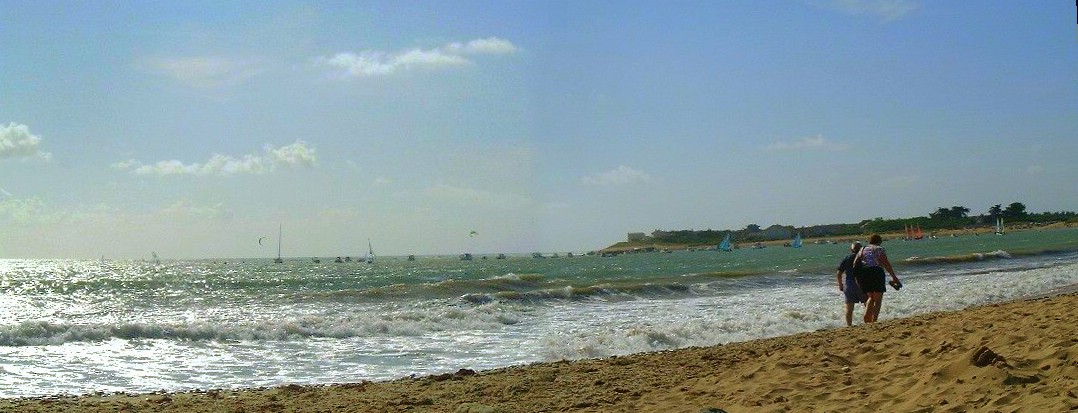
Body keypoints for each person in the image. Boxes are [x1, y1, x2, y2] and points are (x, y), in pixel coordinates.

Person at [852, 234, 902, 323]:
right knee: (878, 298)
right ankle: (874, 320)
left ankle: (867, 318)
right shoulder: (879, 249)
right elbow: (885, 263)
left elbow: (855, 263)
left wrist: (857, 277)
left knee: (871, 296)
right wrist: (894, 277)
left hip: (865, 273)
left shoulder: (862, 249)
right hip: (876, 272)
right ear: (879, 241)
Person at [835, 241, 865, 326]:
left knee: (849, 308)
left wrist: (840, 284)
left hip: (849, 284)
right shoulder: (863, 257)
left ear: (851, 249)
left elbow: (839, 273)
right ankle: (869, 322)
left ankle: (849, 325)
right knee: (867, 304)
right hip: (861, 283)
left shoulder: (847, 258)